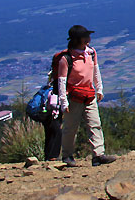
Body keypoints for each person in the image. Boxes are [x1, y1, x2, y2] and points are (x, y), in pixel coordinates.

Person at [57, 25, 117, 167]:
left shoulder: (91, 53)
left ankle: (98, 155)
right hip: (74, 97)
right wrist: (63, 102)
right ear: (79, 39)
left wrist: (99, 89)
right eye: (86, 36)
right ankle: (67, 155)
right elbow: (61, 81)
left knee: (95, 124)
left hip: (89, 95)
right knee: (71, 128)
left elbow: (95, 71)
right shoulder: (66, 59)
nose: (89, 38)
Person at [42, 69, 61, 161]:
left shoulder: (48, 87)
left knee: (49, 135)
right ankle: (53, 155)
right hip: (53, 115)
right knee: (57, 134)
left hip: (47, 115)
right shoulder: (54, 89)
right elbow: (53, 103)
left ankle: (48, 156)